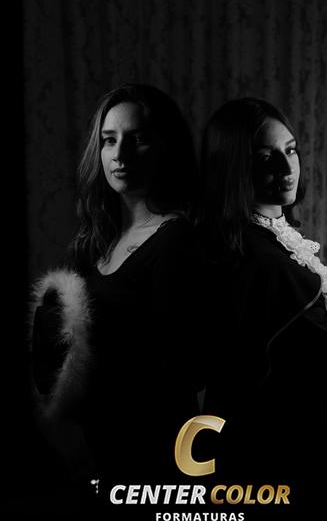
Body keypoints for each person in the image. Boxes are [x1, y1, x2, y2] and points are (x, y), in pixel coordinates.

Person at [198, 97, 327, 520]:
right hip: (274, 445)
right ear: (233, 167)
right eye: (266, 157)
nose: (286, 167)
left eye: (291, 150)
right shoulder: (264, 262)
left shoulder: (256, 241)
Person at [29, 83, 204, 513]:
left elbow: (178, 370)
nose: (120, 154)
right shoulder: (99, 240)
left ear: (165, 148)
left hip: (153, 453)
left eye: (137, 138)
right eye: (109, 140)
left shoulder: (176, 240)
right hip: (100, 450)